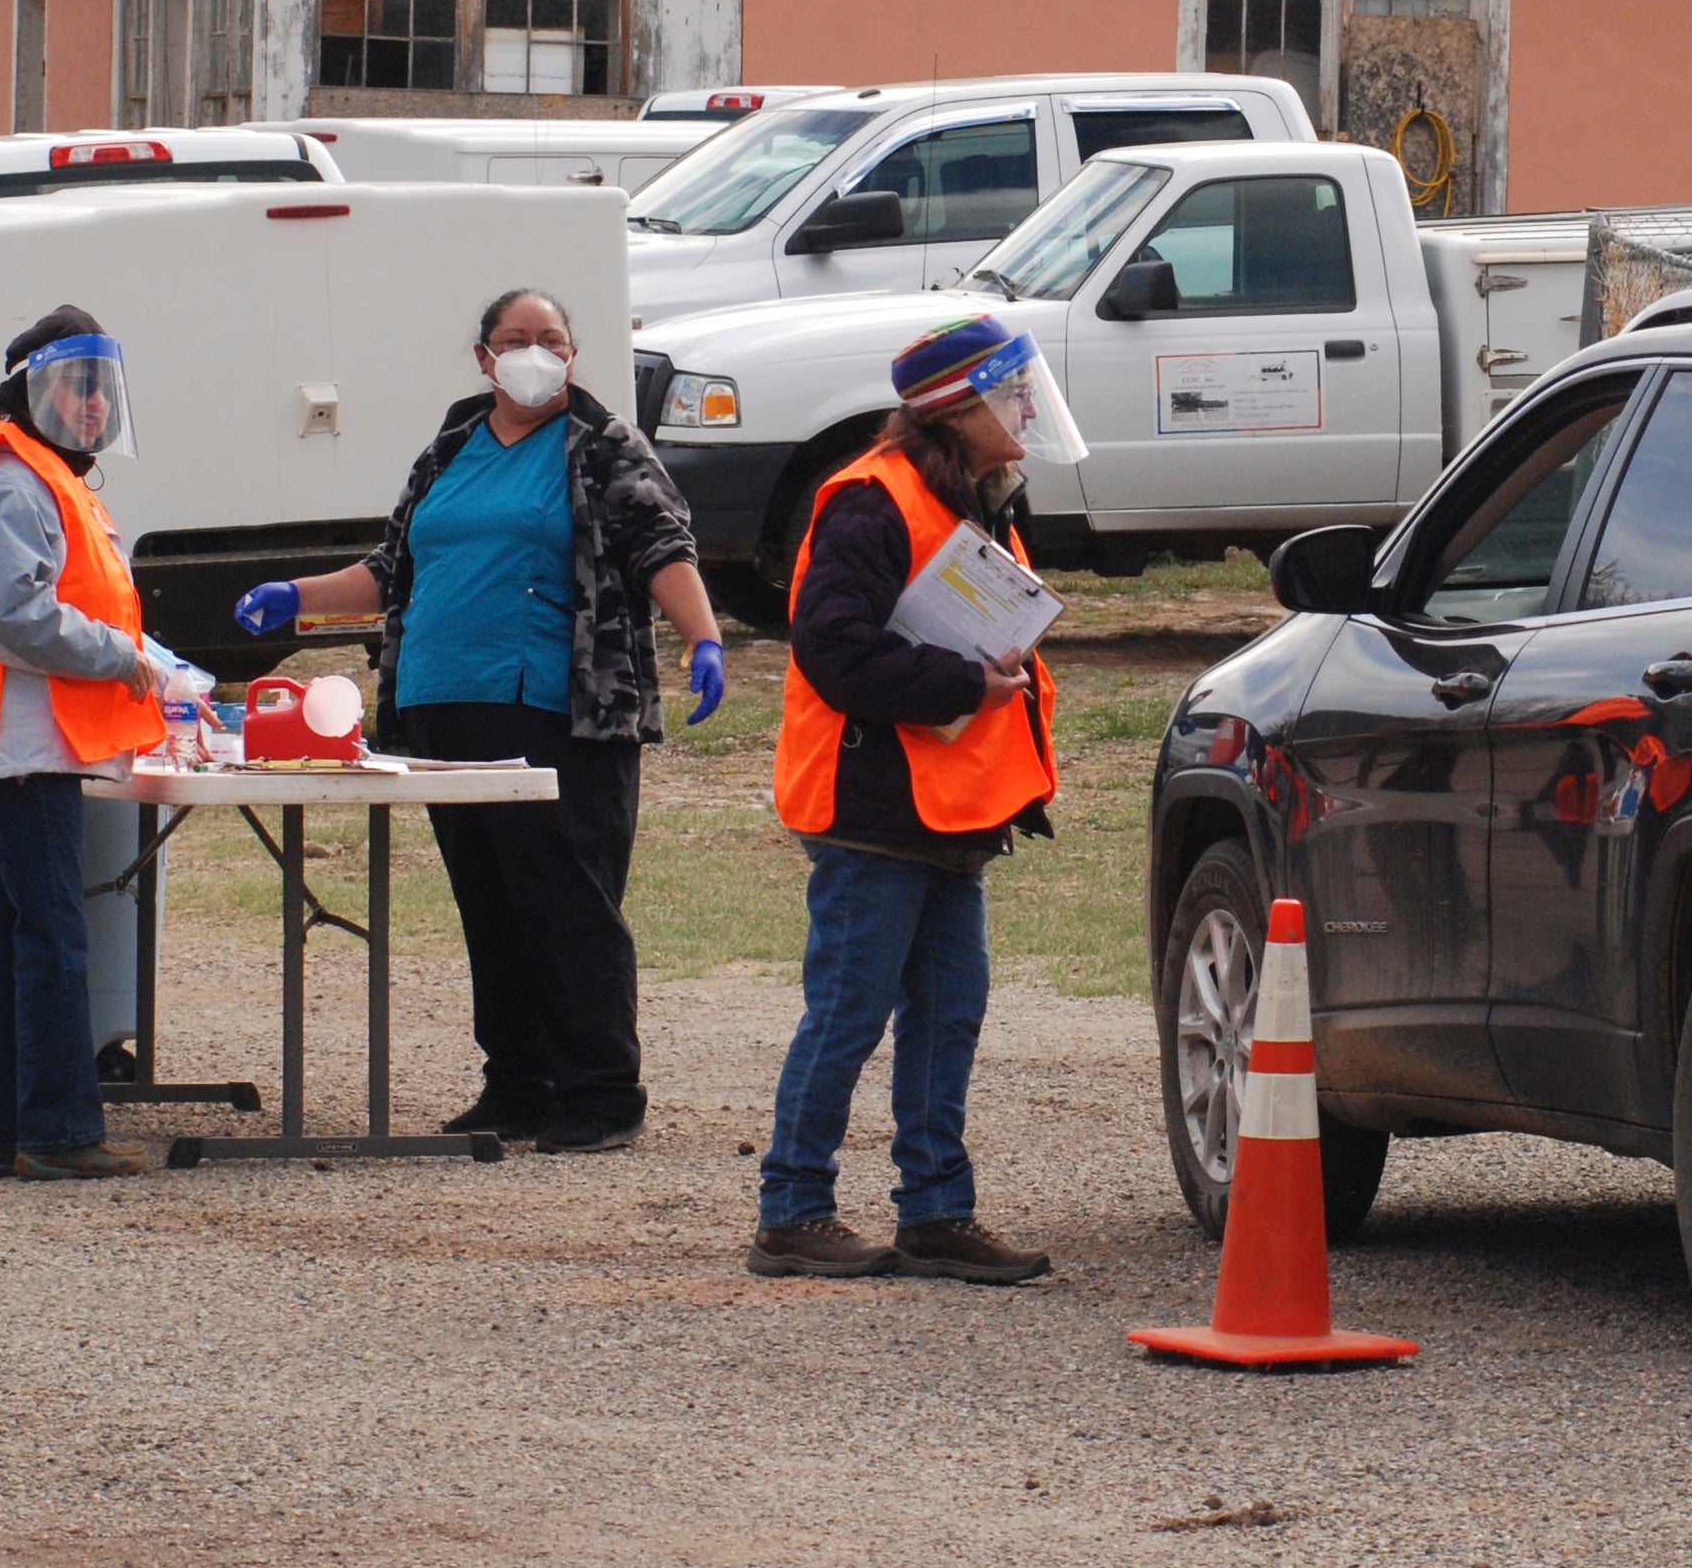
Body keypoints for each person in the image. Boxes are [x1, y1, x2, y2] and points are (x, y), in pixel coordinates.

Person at [238, 290, 726, 1153]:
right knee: (490, 903)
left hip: (556, 709)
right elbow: (392, 566)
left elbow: (661, 544)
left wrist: (703, 637)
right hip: (442, 706)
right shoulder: (452, 448)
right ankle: (518, 1084)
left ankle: (602, 1090)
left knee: (567, 900)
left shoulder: (600, 445)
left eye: (552, 340)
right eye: (515, 339)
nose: (535, 352)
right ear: (483, 356)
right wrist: (295, 599)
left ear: (573, 356)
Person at [749, 315, 1075, 1283]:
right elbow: (837, 653)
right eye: (1009, 395)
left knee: (948, 1014)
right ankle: (790, 1211)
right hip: (874, 807)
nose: (1026, 411)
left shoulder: (980, 497)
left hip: (951, 806)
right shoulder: (867, 501)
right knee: (848, 1012)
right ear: (957, 409)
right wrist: (962, 687)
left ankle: (936, 1213)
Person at [0, 305, 173, 1181]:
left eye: (100, 389)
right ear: (31, 389)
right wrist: (121, 658)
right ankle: (57, 1130)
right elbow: (15, 617)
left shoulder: (33, 472)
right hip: (17, 744)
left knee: (1, 932)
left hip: (3, 743)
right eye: (73, 386)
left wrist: (144, 658)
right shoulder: (16, 479)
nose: (91, 405)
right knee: (48, 933)